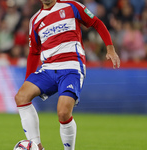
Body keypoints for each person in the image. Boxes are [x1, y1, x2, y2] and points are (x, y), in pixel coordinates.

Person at [15, 0, 120, 150]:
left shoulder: (71, 6)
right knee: (21, 96)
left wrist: (110, 48)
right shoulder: (35, 20)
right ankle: (37, 146)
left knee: (63, 113)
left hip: (71, 67)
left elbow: (96, 22)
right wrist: (28, 80)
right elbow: (34, 52)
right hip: (48, 69)